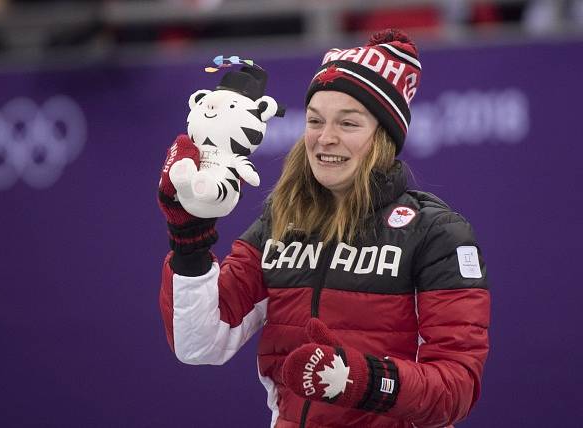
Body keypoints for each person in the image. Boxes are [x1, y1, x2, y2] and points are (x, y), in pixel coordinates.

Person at [157, 29, 490, 428]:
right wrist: (189, 238)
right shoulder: (279, 222)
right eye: (315, 121)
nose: (325, 139)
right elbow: (199, 343)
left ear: (383, 137)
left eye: (348, 123)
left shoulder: (437, 234)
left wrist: (361, 380)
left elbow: (456, 388)